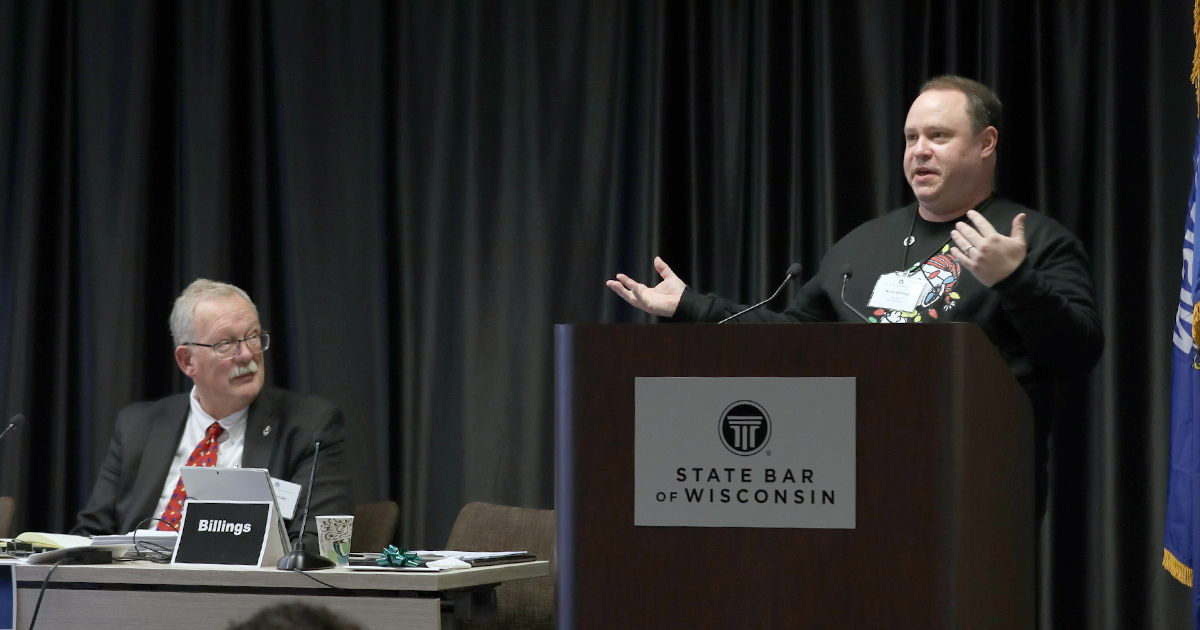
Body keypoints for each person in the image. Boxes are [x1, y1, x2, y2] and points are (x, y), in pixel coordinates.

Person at [607, 75, 1104, 517]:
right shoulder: (861, 245)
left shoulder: (1033, 241)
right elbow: (793, 340)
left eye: (939, 136)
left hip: (976, 492)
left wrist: (1015, 280)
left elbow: (1078, 352)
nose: (919, 151)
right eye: (911, 138)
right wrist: (691, 305)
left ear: (986, 142)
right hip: (848, 486)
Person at [72, 279, 352, 547]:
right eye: (225, 344)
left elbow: (316, 543)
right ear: (187, 361)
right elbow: (91, 534)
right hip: (137, 587)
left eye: (252, 337)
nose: (246, 355)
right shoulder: (138, 426)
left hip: (247, 592)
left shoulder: (310, 427)